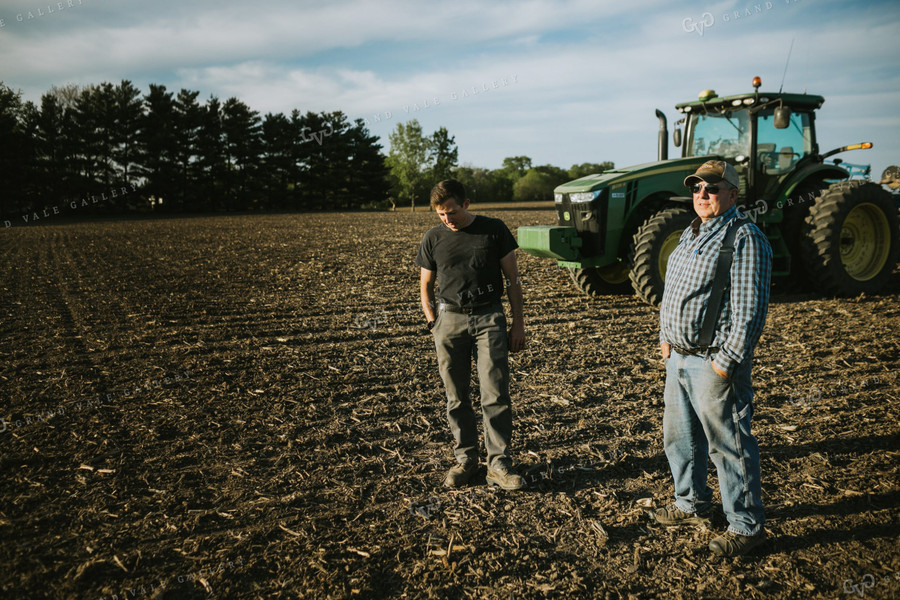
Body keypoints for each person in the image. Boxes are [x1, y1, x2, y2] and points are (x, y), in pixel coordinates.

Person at [655, 160, 773, 557]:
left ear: (733, 194)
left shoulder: (745, 238)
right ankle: (691, 503)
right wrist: (665, 338)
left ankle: (746, 525)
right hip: (678, 359)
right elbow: (672, 290)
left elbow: (749, 311)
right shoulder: (690, 233)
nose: (701, 195)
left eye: (712, 188)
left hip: (713, 362)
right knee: (680, 439)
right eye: (696, 188)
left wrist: (726, 361)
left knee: (729, 445)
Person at [415, 179, 526, 490]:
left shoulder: (494, 229)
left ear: (465, 203)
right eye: (440, 215)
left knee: (495, 393)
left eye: (451, 212)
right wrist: (432, 322)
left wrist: (518, 324)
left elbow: (513, 280)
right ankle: (466, 460)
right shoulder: (433, 238)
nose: (447, 220)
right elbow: (425, 287)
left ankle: (498, 464)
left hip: (489, 317)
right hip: (448, 320)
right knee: (456, 396)